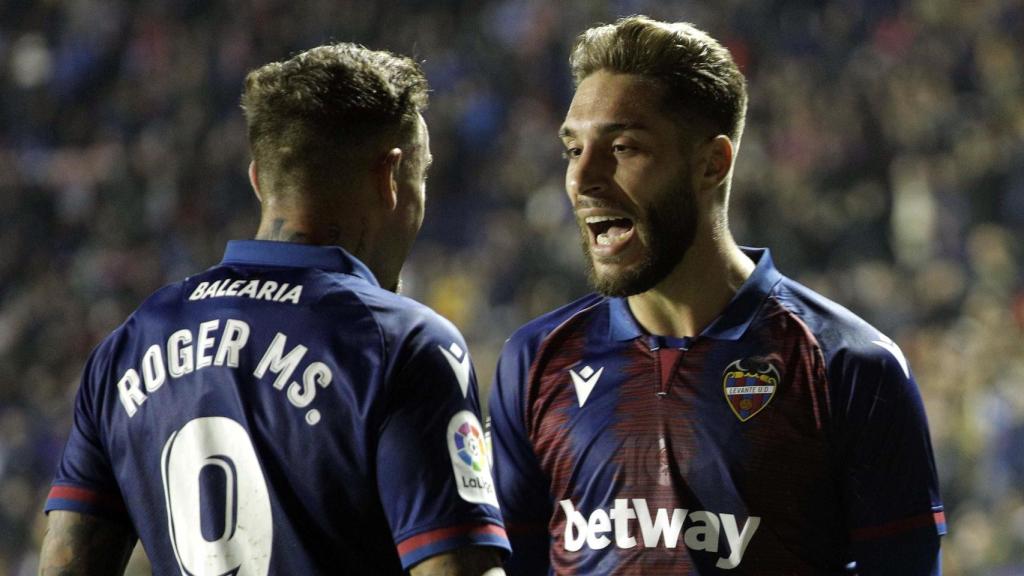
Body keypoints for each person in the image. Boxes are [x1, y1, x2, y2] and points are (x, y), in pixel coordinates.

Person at [489, 15, 945, 575]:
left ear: (712, 163)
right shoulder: (535, 362)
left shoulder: (847, 365)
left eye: (623, 147)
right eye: (573, 149)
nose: (583, 179)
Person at [39, 43, 509, 576]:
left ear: (258, 179)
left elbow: (66, 562)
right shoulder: (401, 343)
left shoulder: (128, 343)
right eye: (422, 176)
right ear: (391, 177)